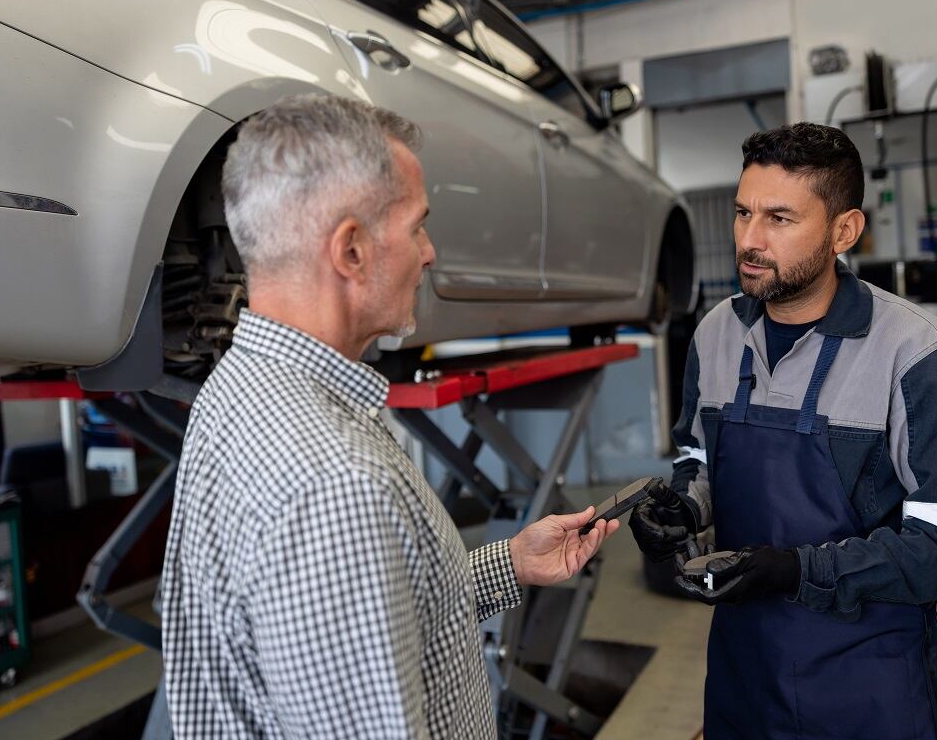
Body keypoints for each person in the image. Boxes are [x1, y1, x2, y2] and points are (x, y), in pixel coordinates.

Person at [160, 95, 618, 738]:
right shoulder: (333, 485)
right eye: (416, 227)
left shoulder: (238, 392)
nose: (429, 253)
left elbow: (381, 611)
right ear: (350, 251)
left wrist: (507, 564)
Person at [629, 123, 937, 739]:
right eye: (742, 212)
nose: (749, 239)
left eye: (779, 218)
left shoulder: (918, 353)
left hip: (871, 686)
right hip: (745, 678)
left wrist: (798, 570)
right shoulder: (716, 333)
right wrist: (684, 511)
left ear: (843, 231)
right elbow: (698, 459)